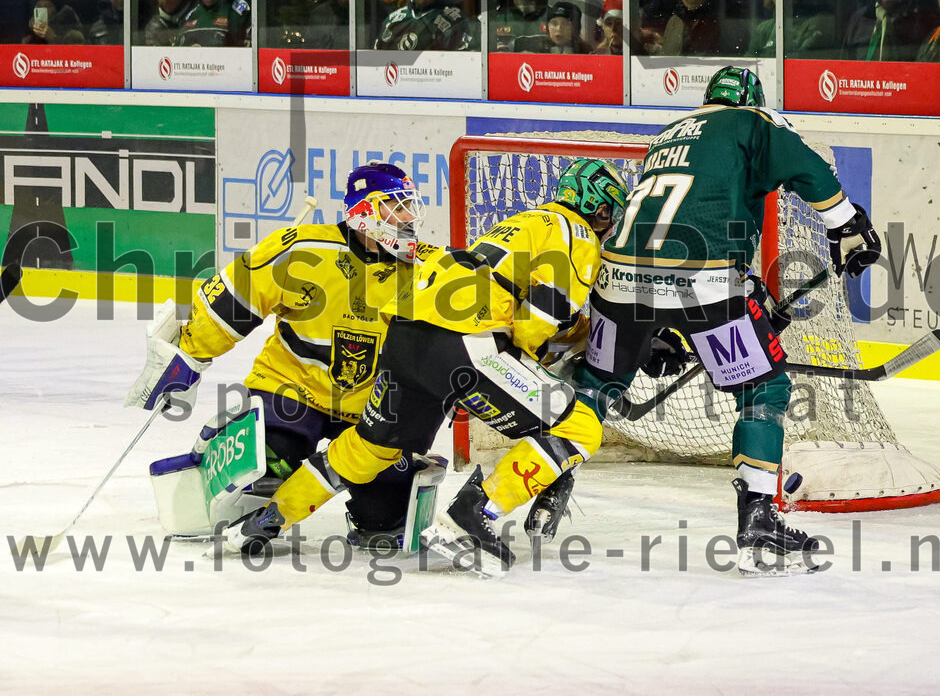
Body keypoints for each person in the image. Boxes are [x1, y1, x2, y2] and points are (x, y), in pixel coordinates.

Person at [225, 159, 630, 578]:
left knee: (370, 447)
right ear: (600, 208)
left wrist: (567, 341)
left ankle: (271, 517)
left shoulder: (525, 220)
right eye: (610, 214)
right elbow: (539, 322)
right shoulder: (577, 234)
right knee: (579, 426)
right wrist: (532, 372)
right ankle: (472, 518)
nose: (609, 224)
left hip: (406, 340)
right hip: (466, 346)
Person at [573, 66, 882, 576]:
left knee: (596, 387)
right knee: (763, 390)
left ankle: (529, 484)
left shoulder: (668, 136)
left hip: (619, 281)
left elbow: (677, 221)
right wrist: (846, 223)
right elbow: (809, 168)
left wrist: (664, 328)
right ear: (751, 101)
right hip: (704, 283)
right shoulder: (751, 121)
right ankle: (759, 524)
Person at [126, 163, 442, 546]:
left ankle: (380, 506)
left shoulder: (430, 270)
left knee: (387, 517)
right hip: (292, 389)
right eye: (397, 206)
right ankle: (234, 456)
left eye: (410, 206)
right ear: (365, 213)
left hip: (371, 408)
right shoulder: (302, 250)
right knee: (268, 463)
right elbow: (230, 301)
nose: (409, 218)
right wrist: (187, 359)